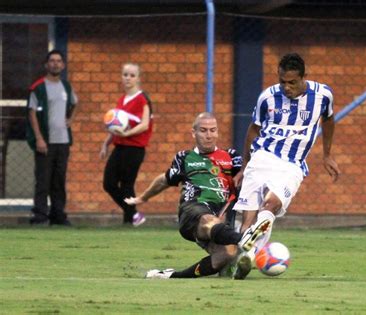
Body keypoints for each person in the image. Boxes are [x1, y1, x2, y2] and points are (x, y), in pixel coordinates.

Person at [232, 53, 341, 279]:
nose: (286, 87)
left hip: (292, 165)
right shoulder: (268, 98)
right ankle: (245, 257)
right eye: (282, 81)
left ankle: (248, 253)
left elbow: (329, 120)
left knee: (271, 205)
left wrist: (327, 154)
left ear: (304, 78)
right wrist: (244, 166)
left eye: (292, 82)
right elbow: (253, 130)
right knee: (247, 222)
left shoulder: (322, 95)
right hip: (262, 157)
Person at [124, 112, 271, 279]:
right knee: (209, 220)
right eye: (203, 130)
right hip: (193, 211)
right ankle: (244, 239)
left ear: (217, 132)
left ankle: (171, 276)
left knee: (225, 255)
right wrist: (143, 197)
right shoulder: (184, 157)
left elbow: (249, 177)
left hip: (221, 219)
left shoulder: (231, 157)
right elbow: (164, 180)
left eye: (212, 130)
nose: (208, 135)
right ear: (194, 133)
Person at [26, 49, 78, 226]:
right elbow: (32, 113)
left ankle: (58, 215)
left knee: (59, 181)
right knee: (43, 181)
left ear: (62, 65)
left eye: (58, 61)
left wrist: (70, 118)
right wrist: (39, 138)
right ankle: (40, 216)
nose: (55, 63)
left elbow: (75, 103)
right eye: (52, 61)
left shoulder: (66, 87)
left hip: (63, 142)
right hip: (46, 142)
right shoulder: (38, 87)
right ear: (46, 65)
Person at [100, 63, 153, 226]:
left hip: (135, 148)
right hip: (119, 146)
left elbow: (144, 125)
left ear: (138, 78)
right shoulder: (122, 100)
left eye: (132, 75)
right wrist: (106, 143)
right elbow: (115, 126)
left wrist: (127, 134)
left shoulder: (143, 99)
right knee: (108, 183)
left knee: (127, 185)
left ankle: (130, 220)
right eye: (125, 75)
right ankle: (133, 214)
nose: (128, 78)